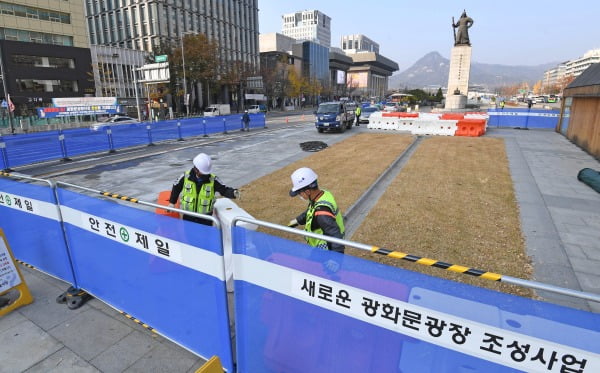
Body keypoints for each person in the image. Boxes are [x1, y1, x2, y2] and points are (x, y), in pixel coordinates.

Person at [169, 153, 240, 225]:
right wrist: (172, 202)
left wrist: (233, 193)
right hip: (188, 216)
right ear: (196, 169)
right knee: (189, 235)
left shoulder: (213, 180)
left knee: (205, 235)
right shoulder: (185, 177)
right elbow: (176, 187)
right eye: (202, 172)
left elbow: (224, 190)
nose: (205, 174)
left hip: (206, 218)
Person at [288, 167, 345, 254]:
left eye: (299, 193)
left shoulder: (322, 213)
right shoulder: (321, 195)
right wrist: (297, 221)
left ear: (307, 192)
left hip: (326, 250)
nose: (300, 196)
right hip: (321, 246)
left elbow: (335, 235)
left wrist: (336, 260)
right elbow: (311, 212)